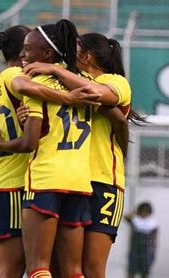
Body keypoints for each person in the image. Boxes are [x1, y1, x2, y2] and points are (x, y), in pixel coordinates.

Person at [22, 33, 147, 277]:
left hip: (104, 182)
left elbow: (98, 94)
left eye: (76, 49)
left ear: (87, 56)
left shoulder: (115, 81)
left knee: (92, 267)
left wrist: (54, 70)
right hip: (72, 180)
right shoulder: (69, 83)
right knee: (63, 267)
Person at [0, 25, 101, 278]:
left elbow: (30, 141)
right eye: (23, 48)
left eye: (29, 48)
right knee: (72, 270)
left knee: (37, 268)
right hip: (79, 182)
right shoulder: (87, 85)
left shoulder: (36, 83)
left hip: (44, 180)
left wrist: (1, 141)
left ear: (48, 54)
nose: (25, 55)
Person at [124, 202, 158, 278]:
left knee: (145, 273)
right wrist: (135, 212)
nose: (144, 213)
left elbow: (155, 239)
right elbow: (126, 217)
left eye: (146, 211)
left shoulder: (153, 223)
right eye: (142, 211)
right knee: (131, 272)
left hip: (147, 252)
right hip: (135, 251)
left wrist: (153, 252)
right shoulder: (135, 220)